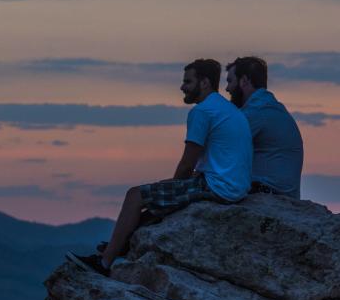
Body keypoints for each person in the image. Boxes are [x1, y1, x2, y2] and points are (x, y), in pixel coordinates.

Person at [68, 59, 252, 277]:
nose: (182, 87)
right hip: (237, 186)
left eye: (187, 82)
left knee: (135, 196)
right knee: (154, 201)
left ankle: (104, 263)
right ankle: (120, 245)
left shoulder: (203, 112)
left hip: (220, 188)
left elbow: (186, 164)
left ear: (204, 83)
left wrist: (172, 188)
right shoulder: (227, 109)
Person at [226, 56, 304, 199]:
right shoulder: (269, 106)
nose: (227, 88)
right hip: (280, 193)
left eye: (230, 81)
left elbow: (222, 146)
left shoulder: (257, 111)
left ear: (244, 81)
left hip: (270, 193)